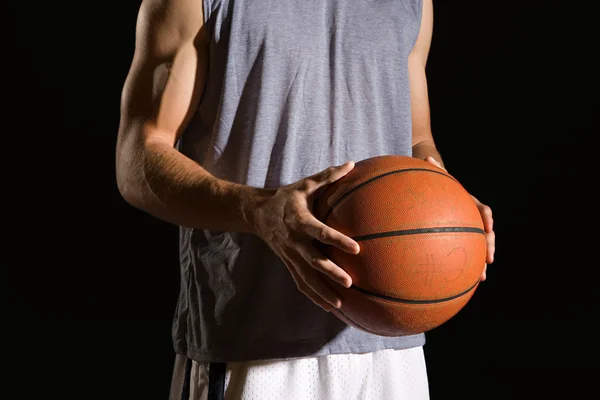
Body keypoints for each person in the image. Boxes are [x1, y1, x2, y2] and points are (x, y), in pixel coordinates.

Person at [115, 0, 496, 398]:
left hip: (391, 342)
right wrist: (255, 208)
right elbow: (137, 156)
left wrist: (449, 209)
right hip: (254, 344)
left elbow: (417, 139)